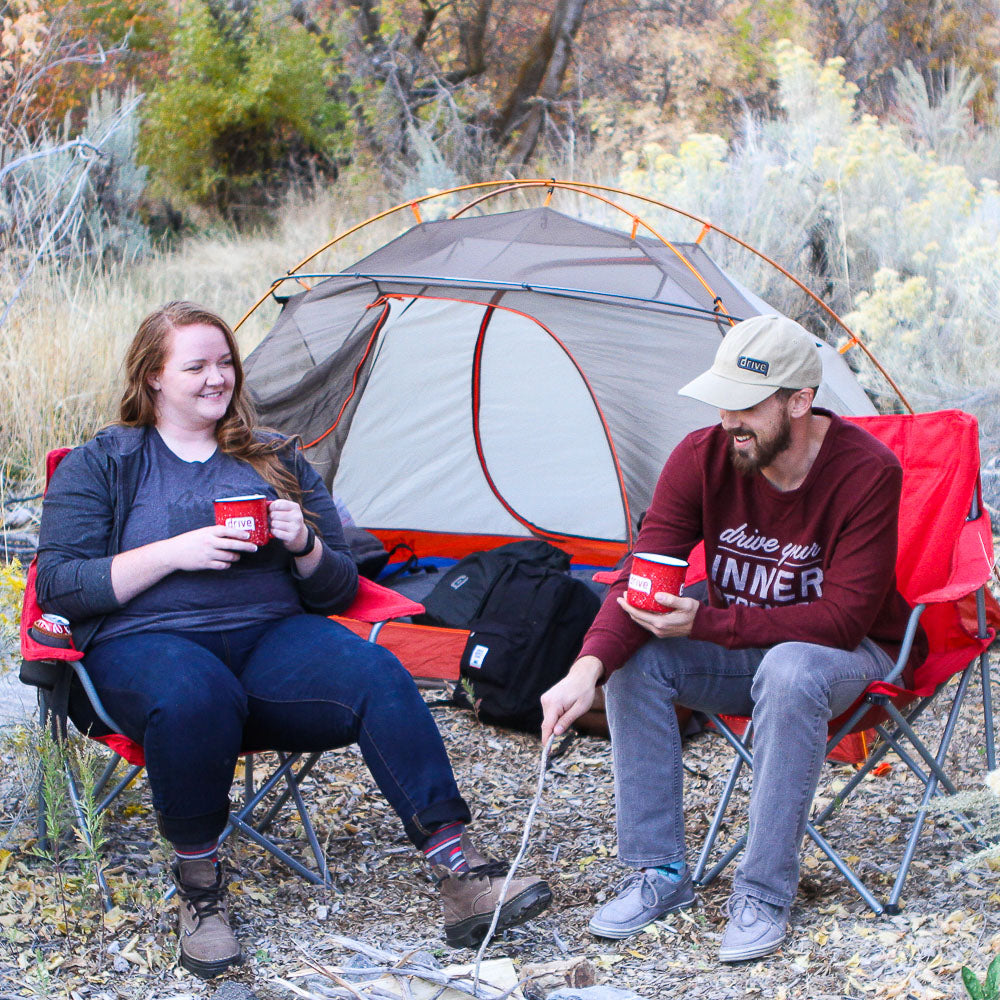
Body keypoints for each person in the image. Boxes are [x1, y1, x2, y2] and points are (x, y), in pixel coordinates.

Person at [36, 301, 551, 979]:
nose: (217, 379)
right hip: (145, 645)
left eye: (225, 363)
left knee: (375, 671)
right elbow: (60, 584)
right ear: (153, 377)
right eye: (196, 366)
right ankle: (200, 895)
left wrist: (303, 541)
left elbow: (337, 590)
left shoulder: (274, 457)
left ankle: (460, 874)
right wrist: (176, 551)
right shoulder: (104, 463)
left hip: (272, 639)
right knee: (195, 692)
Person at [539, 314, 925, 963]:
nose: (728, 421)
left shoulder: (866, 471)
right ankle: (658, 873)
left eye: (746, 405)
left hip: (847, 657)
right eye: (723, 402)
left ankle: (765, 891)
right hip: (741, 642)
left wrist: (709, 621)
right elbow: (643, 576)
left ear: (800, 400)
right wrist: (586, 669)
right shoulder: (704, 456)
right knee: (639, 660)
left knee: (791, 670)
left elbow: (843, 621)